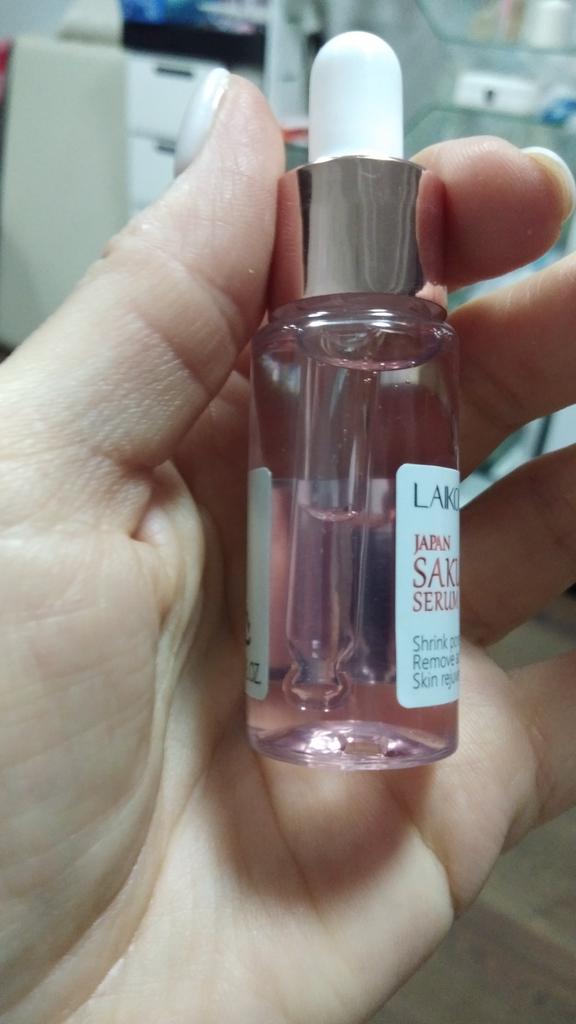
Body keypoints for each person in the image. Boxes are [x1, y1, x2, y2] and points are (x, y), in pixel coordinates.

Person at [1, 72, 575, 1024]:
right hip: (277, 733)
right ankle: (310, 684)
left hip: (397, 726)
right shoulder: (289, 342)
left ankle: (366, 686)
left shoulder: (421, 339)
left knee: (409, 525)